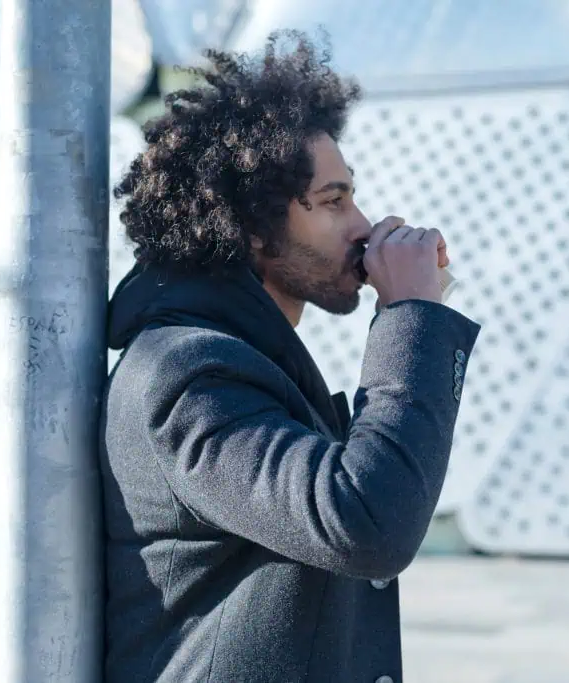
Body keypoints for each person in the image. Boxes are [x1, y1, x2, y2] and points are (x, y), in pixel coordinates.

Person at [99, 30, 481, 683]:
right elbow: (364, 520)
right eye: (333, 201)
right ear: (252, 224)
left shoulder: (242, 357)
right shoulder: (186, 374)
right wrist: (412, 319)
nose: (363, 223)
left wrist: (414, 319)